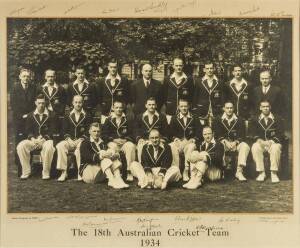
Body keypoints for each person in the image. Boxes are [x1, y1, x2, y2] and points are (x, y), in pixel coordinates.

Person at [16, 94, 56, 180]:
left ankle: (46, 172)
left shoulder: (52, 114)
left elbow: (53, 130)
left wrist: (43, 139)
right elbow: (28, 130)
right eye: (39, 103)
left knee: (49, 147)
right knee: (21, 146)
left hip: (46, 140)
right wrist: (33, 139)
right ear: (35, 103)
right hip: (34, 140)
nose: (41, 105)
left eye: (43, 103)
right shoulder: (31, 115)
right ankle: (26, 171)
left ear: (45, 103)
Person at [79, 123, 129, 188]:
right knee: (103, 154)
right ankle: (112, 180)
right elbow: (87, 157)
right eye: (94, 131)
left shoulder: (103, 141)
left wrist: (116, 155)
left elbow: (117, 153)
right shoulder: (85, 143)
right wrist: (101, 156)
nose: (96, 133)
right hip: (89, 172)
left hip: (102, 170)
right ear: (89, 132)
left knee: (111, 152)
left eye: (98, 131)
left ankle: (118, 179)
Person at [56, 95, 92, 182]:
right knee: (60, 145)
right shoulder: (68, 115)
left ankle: (80, 172)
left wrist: (80, 139)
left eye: (80, 102)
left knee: (80, 148)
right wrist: (69, 139)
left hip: (81, 141)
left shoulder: (87, 115)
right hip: (70, 141)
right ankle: (64, 172)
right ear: (72, 103)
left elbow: (88, 131)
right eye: (76, 102)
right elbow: (64, 131)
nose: (78, 104)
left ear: (82, 103)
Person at [213, 102, 250, 181]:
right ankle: (221, 170)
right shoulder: (217, 119)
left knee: (245, 146)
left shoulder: (239, 119)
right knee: (219, 145)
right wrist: (225, 141)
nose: (229, 110)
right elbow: (217, 134)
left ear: (233, 109)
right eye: (227, 108)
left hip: (235, 144)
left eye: (231, 108)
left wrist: (235, 142)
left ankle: (239, 171)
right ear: (224, 108)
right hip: (223, 143)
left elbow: (242, 136)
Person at [169, 99, 203, 182]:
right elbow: (169, 133)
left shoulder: (194, 117)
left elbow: (199, 132)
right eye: (181, 106)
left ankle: (186, 170)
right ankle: (176, 171)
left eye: (185, 106)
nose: (184, 108)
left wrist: (193, 139)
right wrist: (175, 139)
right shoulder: (174, 118)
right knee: (171, 146)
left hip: (190, 143)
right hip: (178, 143)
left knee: (190, 146)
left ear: (188, 106)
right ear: (178, 107)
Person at [249, 100, 284, 183]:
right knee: (255, 147)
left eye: (267, 106)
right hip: (261, 143)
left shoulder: (277, 118)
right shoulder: (255, 119)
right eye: (263, 107)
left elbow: (280, 133)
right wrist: (259, 140)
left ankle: (274, 173)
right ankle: (261, 172)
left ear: (270, 107)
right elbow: (252, 133)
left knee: (275, 148)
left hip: (273, 143)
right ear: (260, 108)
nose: (265, 108)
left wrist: (271, 141)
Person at [102, 101, 136, 181]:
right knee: (113, 147)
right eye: (116, 108)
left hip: (124, 142)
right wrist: (113, 139)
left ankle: (128, 171)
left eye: (120, 107)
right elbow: (104, 134)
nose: (119, 109)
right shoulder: (108, 119)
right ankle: (116, 170)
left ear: (123, 108)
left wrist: (126, 140)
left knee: (130, 146)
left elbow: (133, 133)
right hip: (113, 142)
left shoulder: (128, 119)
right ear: (113, 108)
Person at [134, 97, 168, 162]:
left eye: (153, 104)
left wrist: (163, 139)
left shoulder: (161, 117)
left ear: (156, 105)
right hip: (144, 140)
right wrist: (139, 138)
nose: (151, 106)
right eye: (149, 105)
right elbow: (136, 130)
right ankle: (142, 166)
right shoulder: (140, 116)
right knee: (141, 146)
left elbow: (166, 131)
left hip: (157, 140)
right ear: (146, 105)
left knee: (164, 147)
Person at [162, 58, 194, 123]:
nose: (178, 67)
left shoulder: (189, 79)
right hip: (171, 110)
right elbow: (164, 95)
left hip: (184, 110)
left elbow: (191, 95)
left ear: (183, 66)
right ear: (173, 66)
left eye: (180, 65)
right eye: (176, 65)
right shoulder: (167, 79)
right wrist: (169, 104)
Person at [11, 68, 37, 144]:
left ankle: (29, 156)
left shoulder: (34, 87)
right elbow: (13, 105)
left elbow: (35, 103)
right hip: (18, 118)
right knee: (19, 139)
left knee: (30, 139)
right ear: (20, 77)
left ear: (30, 77)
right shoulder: (15, 88)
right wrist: (22, 116)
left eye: (27, 76)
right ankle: (18, 156)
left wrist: (29, 115)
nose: (26, 78)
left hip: (30, 117)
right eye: (24, 76)